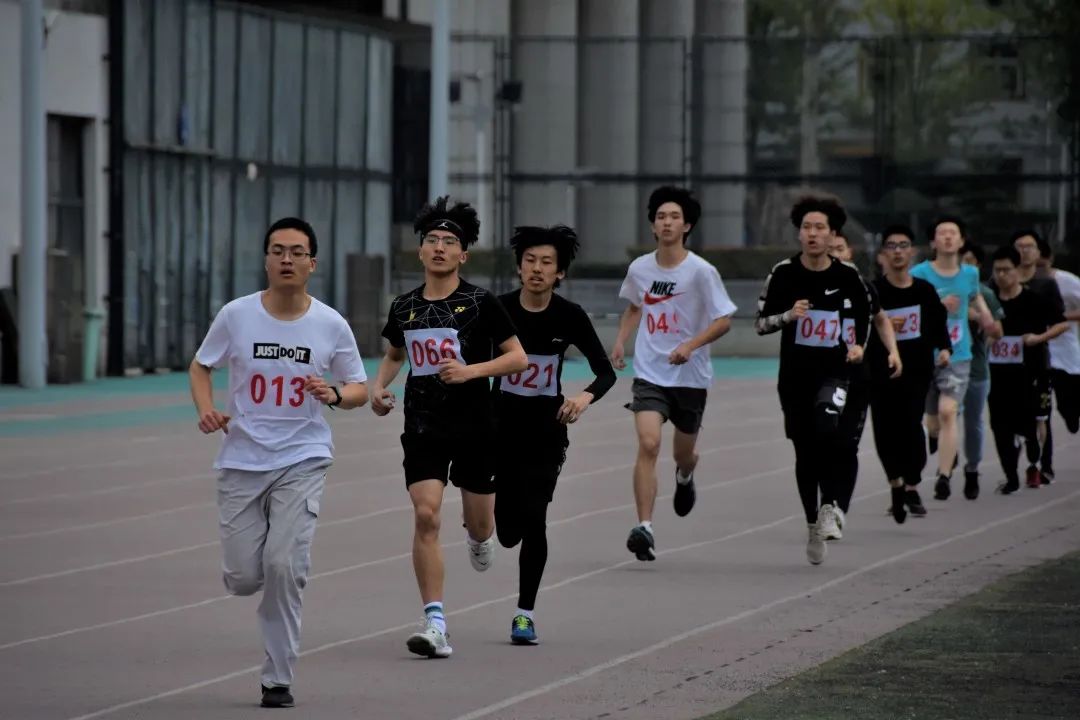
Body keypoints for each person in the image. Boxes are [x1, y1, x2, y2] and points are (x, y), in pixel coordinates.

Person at [189, 217, 369, 709]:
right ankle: (251, 572)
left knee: (284, 566)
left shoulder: (330, 324)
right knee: (245, 577)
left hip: (302, 457)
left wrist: (334, 394)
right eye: (277, 250)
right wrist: (206, 409)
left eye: (296, 252)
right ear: (266, 259)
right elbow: (202, 365)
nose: (286, 259)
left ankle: (277, 679)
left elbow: (358, 387)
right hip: (242, 459)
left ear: (313, 262)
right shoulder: (236, 315)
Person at [369, 196, 527, 658]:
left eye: (449, 242)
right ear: (420, 251)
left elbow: (518, 358)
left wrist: (471, 371)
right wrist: (378, 388)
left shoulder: (481, 302)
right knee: (426, 515)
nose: (439, 247)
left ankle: (479, 535)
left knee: (480, 522)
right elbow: (395, 354)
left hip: (476, 426)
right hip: (423, 426)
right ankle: (435, 623)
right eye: (432, 240)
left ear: (463, 255)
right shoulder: (404, 306)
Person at [492, 225, 616, 644]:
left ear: (560, 272)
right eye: (530, 260)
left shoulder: (569, 316)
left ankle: (524, 614)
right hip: (500, 429)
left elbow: (606, 373)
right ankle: (489, 521)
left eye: (547, 262)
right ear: (519, 266)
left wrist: (583, 398)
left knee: (535, 518)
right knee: (507, 532)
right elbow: (471, 360)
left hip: (546, 431)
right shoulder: (498, 309)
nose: (537, 269)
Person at [610, 186, 737, 562]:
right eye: (661, 217)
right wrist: (620, 341)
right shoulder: (640, 269)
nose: (667, 223)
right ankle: (644, 527)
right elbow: (635, 307)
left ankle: (685, 474)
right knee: (649, 444)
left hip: (690, 377)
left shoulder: (701, 271)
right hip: (651, 372)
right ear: (653, 226)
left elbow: (724, 320)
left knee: (683, 453)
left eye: (674, 217)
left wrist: (691, 346)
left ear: (687, 225)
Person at [755, 195, 872, 565]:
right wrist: (789, 315)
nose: (813, 234)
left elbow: (864, 320)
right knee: (805, 452)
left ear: (833, 234)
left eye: (820, 227)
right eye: (807, 227)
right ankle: (812, 522)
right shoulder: (783, 274)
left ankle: (830, 507)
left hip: (835, 373)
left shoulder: (847, 276)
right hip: (794, 378)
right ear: (799, 233)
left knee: (830, 429)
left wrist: (858, 347)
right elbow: (760, 323)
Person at [910, 217, 1000, 502]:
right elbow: (910, 305)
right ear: (933, 242)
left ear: (961, 241)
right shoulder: (920, 273)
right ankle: (941, 444)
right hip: (924, 355)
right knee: (932, 422)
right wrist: (938, 305)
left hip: (958, 354)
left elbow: (975, 297)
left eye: (953, 233)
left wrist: (986, 317)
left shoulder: (970, 274)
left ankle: (944, 476)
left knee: (949, 411)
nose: (948, 237)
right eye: (942, 233)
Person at [869, 225, 951, 522]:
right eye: (891, 246)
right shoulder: (873, 292)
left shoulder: (924, 291)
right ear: (882, 254)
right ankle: (896, 483)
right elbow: (861, 328)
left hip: (916, 371)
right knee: (884, 430)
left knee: (911, 426)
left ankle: (912, 483)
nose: (898, 252)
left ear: (913, 252)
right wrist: (885, 326)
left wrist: (945, 348)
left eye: (903, 245)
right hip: (881, 372)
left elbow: (938, 323)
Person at [823, 231, 902, 538]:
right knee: (824, 442)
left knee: (847, 445)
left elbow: (880, 318)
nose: (834, 254)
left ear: (849, 252)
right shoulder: (812, 288)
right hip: (823, 376)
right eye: (829, 250)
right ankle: (826, 505)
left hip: (857, 377)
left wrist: (893, 351)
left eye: (839, 249)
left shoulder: (864, 288)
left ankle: (837, 509)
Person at [986, 246, 1067, 493]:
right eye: (997, 270)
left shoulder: (1034, 300)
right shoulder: (989, 300)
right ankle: (1010, 476)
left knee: (1032, 424)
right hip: (998, 374)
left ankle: (1034, 464)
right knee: (1000, 426)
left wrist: (1038, 338)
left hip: (1032, 371)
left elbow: (1062, 324)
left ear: (1017, 270)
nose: (1002, 275)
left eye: (1007, 270)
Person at [1012, 230, 1071, 483]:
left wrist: (1039, 337)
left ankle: (1042, 465)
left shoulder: (1046, 284)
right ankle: (1013, 467)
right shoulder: (1001, 279)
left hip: (1037, 359)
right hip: (1007, 361)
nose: (1024, 251)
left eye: (1030, 246)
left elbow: (1061, 323)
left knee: (1040, 415)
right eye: (1019, 246)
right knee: (1012, 415)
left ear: (1038, 252)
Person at [959, 242, 1005, 498]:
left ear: (976, 266)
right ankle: (947, 458)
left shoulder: (984, 294)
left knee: (973, 423)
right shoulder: (937, 291)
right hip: (944, 366)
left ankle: (972, 469)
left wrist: (977, 317)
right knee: (944, 417)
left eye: (969, 261)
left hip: (976, 369)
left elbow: (998, 332)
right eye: (959, 261)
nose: (963, 266)